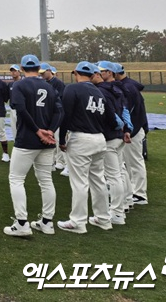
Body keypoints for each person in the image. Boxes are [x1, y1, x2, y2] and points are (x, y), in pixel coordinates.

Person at [3, 54, 63, 237]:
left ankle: (22, 223)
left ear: (21, 68)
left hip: (27, 139)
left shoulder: (19, 85)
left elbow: (20, 109)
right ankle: (47, 222)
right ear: (39, 69)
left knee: (16, 179)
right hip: (46, 141)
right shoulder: (49, 86)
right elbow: (60, 111)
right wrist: (50, 131)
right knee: (46, 180)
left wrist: (38, 131)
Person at [57, 62, 119, 234]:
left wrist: (61, 139)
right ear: (93, 75)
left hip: (81, 138)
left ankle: (78, 222)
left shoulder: (72, 89)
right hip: (99, 139)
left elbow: (65, 116)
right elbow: (112, 121)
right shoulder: (99, 91)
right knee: (98, 180)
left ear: (75, 72)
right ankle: (103, 218)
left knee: (79, 182)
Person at [92, 61, 131, 226]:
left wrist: (121, 126)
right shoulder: (117, 88)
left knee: (114, 176)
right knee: (120, 172)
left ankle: (117, 213)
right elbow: (125, 111)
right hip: (120, 135)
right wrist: (127, 129)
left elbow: (111, 114)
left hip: (110, 135)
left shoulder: (101, 91)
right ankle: (125, 203)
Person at [115, 63, 149, 206]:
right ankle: (133, 192)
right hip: (134, 129)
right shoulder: (128, 85)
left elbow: (130, 113)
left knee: (135, 162)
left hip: (133, 130)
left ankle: (140, 194)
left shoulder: (128, 88)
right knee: (129, 162)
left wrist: (129, 131)